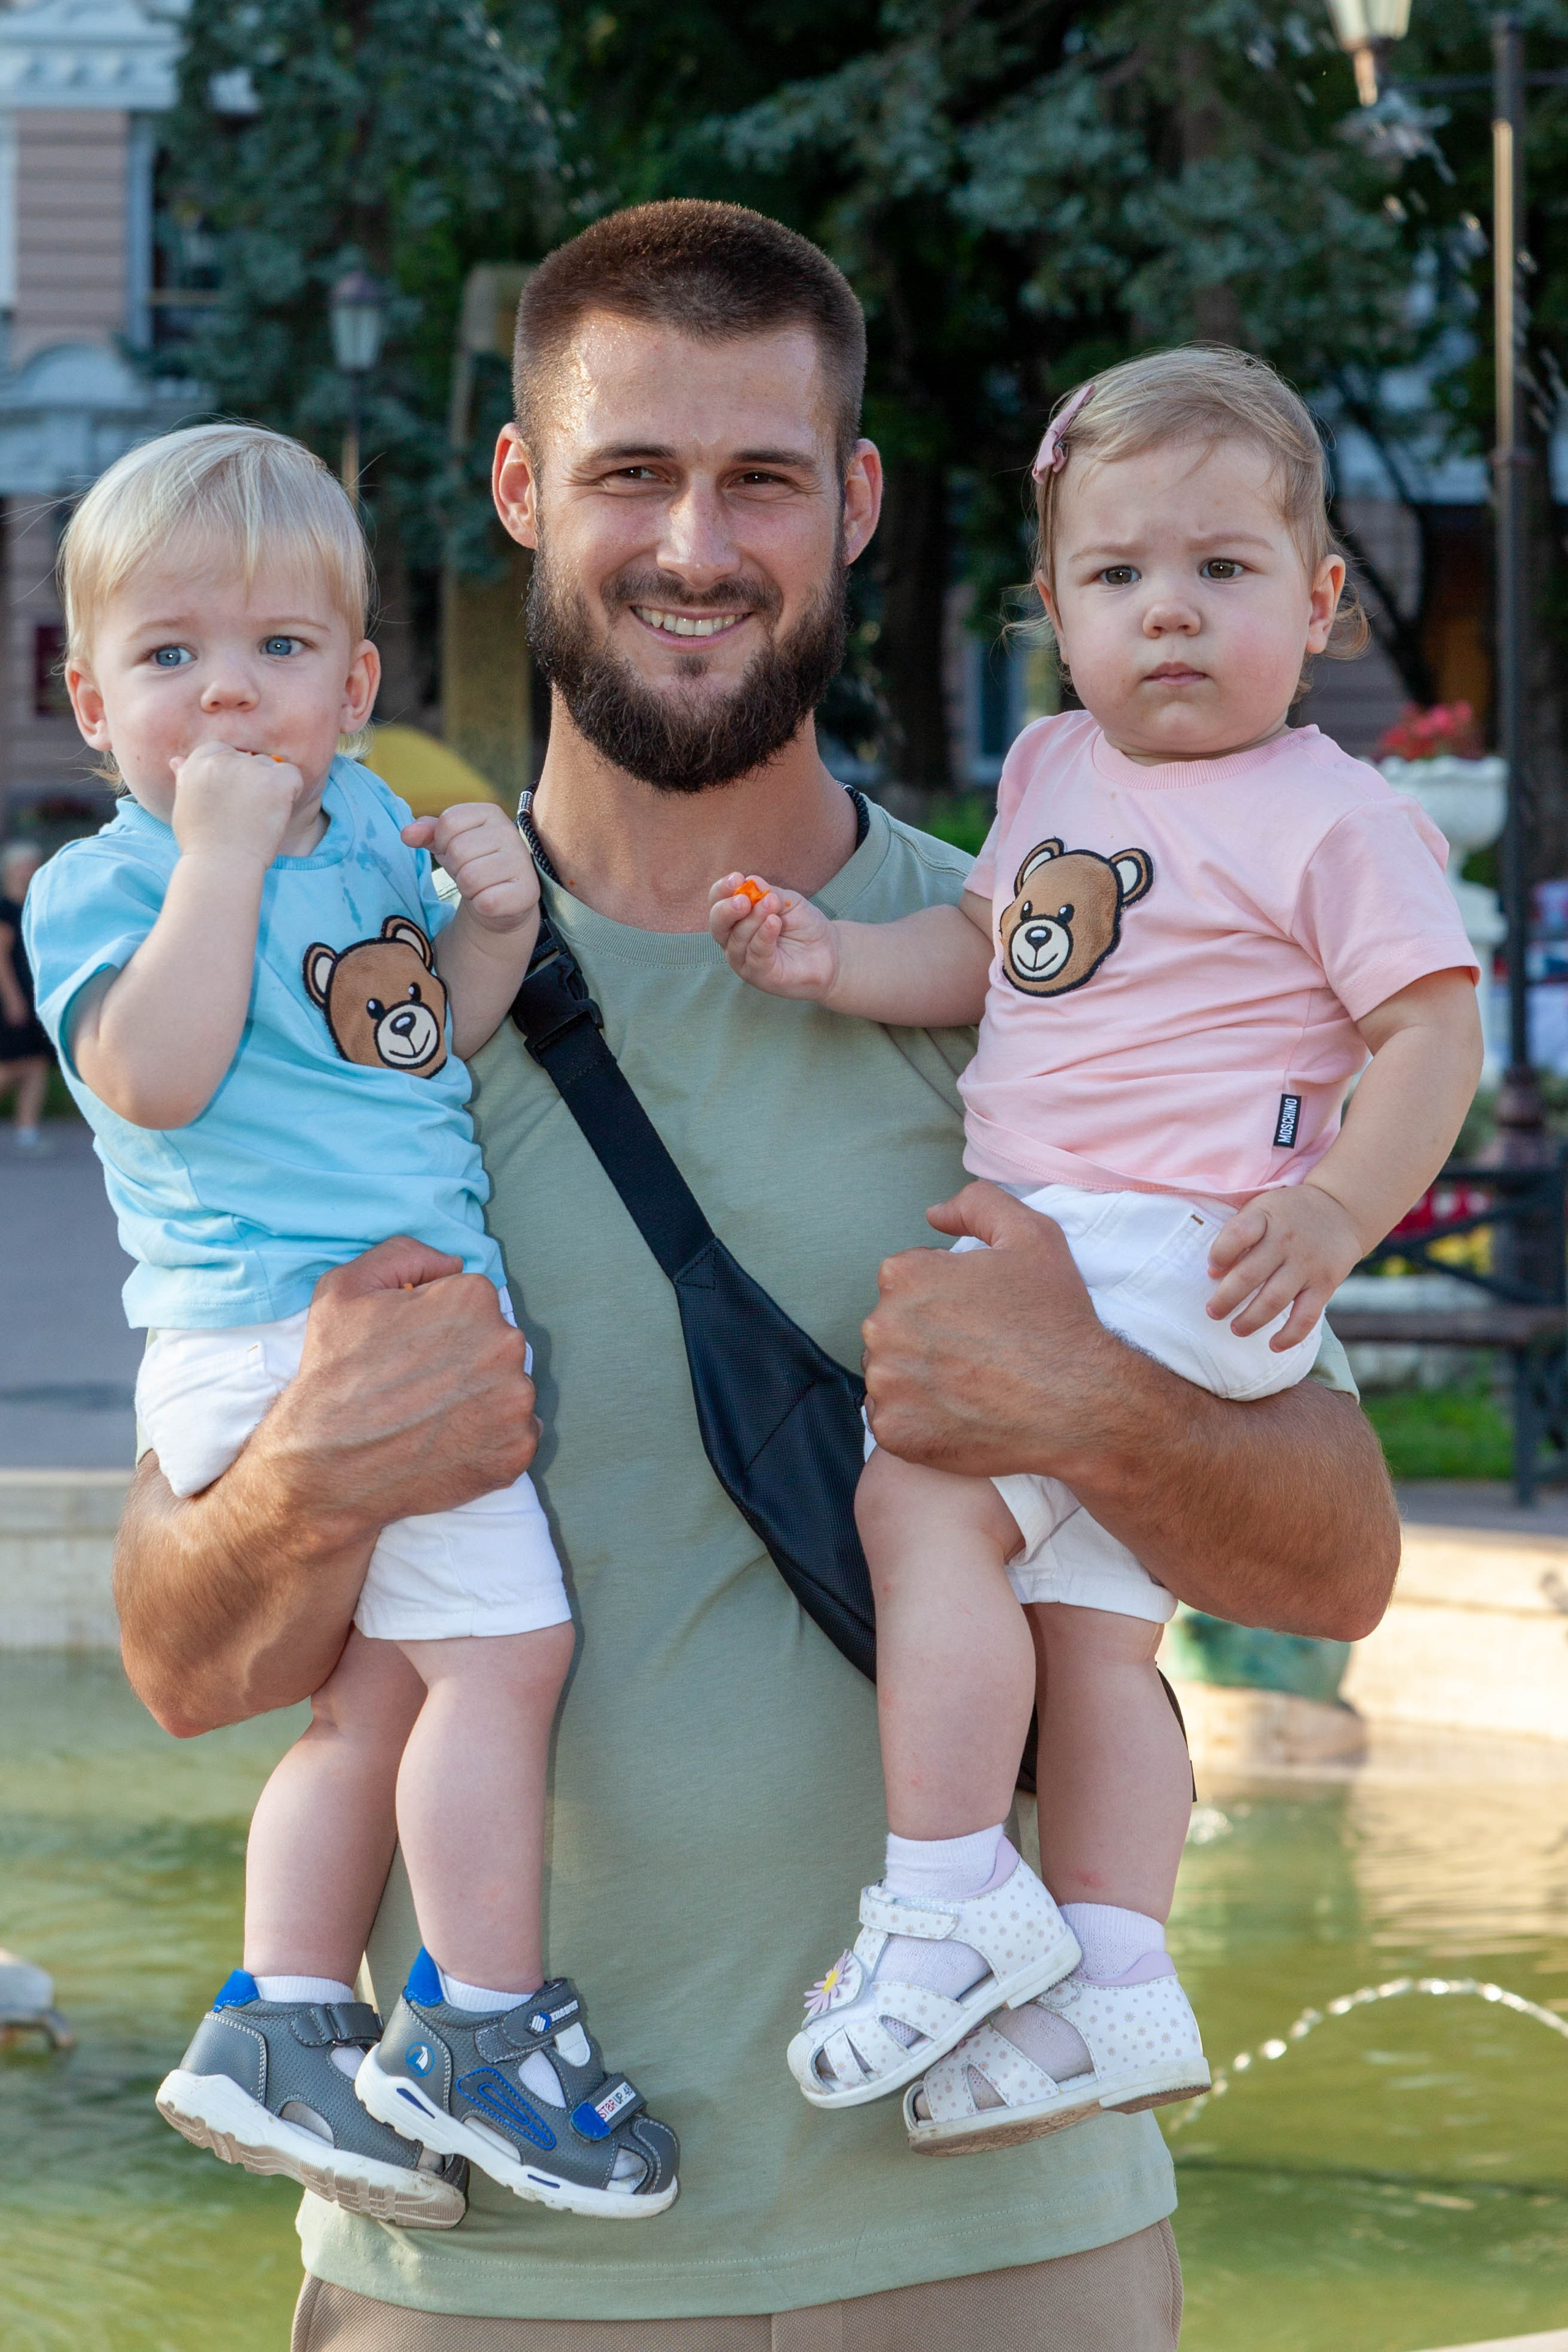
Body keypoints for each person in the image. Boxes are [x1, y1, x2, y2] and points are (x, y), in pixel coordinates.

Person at [110, 203, 1401, 2351]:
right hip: (484, 2270)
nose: (693, 544)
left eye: (761, 479)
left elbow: (1343, 1561)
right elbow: (184, 1658)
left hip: (1001, 2244)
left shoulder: (1064, 966)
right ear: (527, 492)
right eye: (631, 474)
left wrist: (1093, 1401)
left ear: (855, 508)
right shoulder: (341, 1001)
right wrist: (304, 1480)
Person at [710, 346, 1480, 2150]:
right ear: (1053, 611)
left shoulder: (1332, 814)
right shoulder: (1057, 763)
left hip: (1177, 1239)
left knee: (921, 1503)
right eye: (1120, 576)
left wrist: (1334, 1210)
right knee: (1092, 1635)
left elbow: (1431, 1033)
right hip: (1107, 1247)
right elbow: (992, 955)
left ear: (1316, 600)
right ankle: (1121, 1969)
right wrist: (837, 962)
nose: (1172, 616)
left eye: (1221, 572)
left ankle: (950, 1881)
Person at [23, 423, 677, 2230]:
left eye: (278, 651)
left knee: (377, 1690)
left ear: (355, 681)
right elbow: (149, 1076)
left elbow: (421, 1044)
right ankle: (475, 2018)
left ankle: (284, 2010)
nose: (226, 691)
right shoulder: (107, 883)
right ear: (90, 701)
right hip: (269, 1340)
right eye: (169, 657)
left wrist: (493, 914)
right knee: (509, 1658)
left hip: (401, 1324)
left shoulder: (370, 834)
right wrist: (220, 858)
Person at [0, 839, 51, 1152]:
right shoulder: (5, 909)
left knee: (37, 1064)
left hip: (35, 995)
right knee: (10, 1066)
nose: (32, 870)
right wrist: (13, 1000)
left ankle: (27, 1132)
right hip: (12, 996)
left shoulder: (35, 904)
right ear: (12, 869)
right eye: (26, 864)